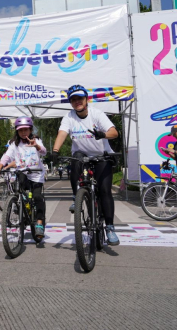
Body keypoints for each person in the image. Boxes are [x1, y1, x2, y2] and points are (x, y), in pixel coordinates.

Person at [51, 85, 120, 246]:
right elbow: (62, 133)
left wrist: (102, 134)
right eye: (73, 100)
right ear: (70, 102)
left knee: (104, 191)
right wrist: (55, 151)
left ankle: (109, 227)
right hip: (82, 156)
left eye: (79, 98)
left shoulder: (97, 114)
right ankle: (77, 196)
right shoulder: (69, 116)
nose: (77, 102)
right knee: (76, 158)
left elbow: (114, 132)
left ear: (86, 99)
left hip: (102, 156)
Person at [0, 116, 47, 237]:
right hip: (22, 173)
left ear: (30, 130)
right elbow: (6, 156)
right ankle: (20, 205)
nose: (23, 132)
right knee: (19, 190)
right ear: (17, 131)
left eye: (26, 130)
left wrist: (37, 146)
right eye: (21, 130)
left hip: (36, 174)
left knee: (38, 197)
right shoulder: (14, 144)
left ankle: (39, 222)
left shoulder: (36, 140)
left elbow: (44, 152)